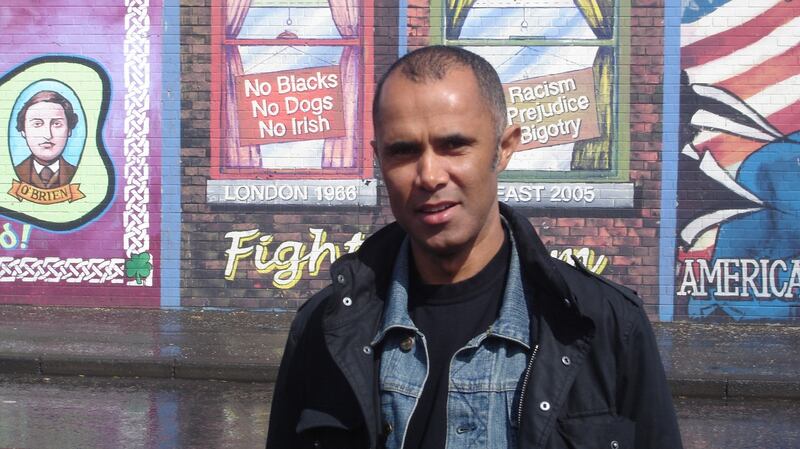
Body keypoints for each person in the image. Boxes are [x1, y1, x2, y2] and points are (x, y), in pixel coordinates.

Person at [266, 46, 682, 449]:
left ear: (503, 149)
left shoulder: (603, 326)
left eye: (454, 145)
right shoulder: (324, 329)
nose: (429, 175)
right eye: (403, 151)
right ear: (379, 159)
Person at [14, 90, 79, 189]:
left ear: (69, 130)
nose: (47, 135)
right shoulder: (15, 172)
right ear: (23, 131)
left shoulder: (77, 173)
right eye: (37, 124)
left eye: (56, 124)